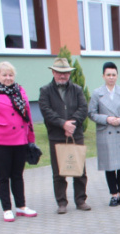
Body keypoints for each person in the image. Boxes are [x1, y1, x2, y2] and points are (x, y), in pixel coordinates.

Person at [0, 61, 38, 222]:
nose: (8, 78)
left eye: (10, 75)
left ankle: (21, 206)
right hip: (0, 142)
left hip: (20, 140)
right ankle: (6, 208)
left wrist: (30, 137)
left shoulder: (20, 90)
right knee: (3, 176)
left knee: (18, 175)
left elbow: (27, 115)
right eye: (4, 75)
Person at [39, 57, 91, 214]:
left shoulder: (77, 89)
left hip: (75, 134)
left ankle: (80, 200)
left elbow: (83, 108)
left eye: (66, 73)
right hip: (56, 135)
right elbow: (46, 111)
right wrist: (63, 124)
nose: (63, 76)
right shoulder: (45, 90)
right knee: (59, 171)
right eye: (60, 73)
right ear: (53, 72)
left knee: (80, 170)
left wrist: (72, 124)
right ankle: (61, 202)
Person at [88, 61, 120, 207]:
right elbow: (91, 113)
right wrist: (106, 119)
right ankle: (113, 195)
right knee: (109, 165)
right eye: (108, 75)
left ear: (117, 76)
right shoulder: (97, 93)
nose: (111, 77)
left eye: (113, 75)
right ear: (103, 76)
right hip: (105, 132)